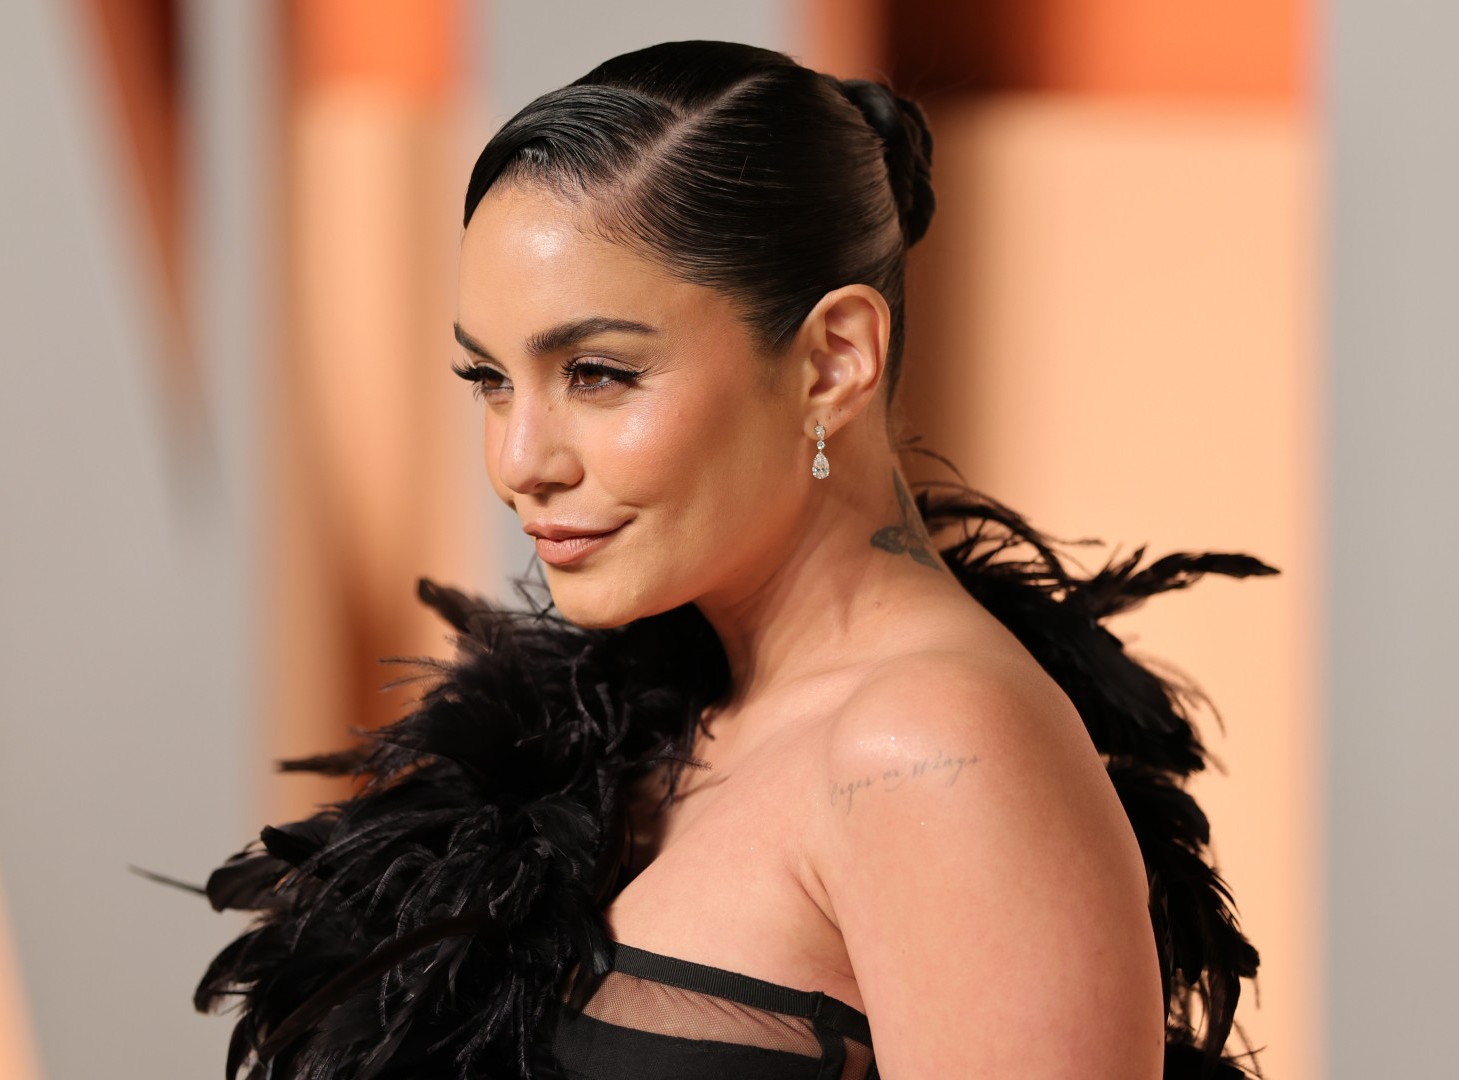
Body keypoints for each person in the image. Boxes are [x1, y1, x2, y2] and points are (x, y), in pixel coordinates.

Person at [178, 39, 1273, 1080]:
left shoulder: (932, 751)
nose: (520, 460)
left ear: (834, 359)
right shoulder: (654, 713)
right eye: (490, 380)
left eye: (598, 373)